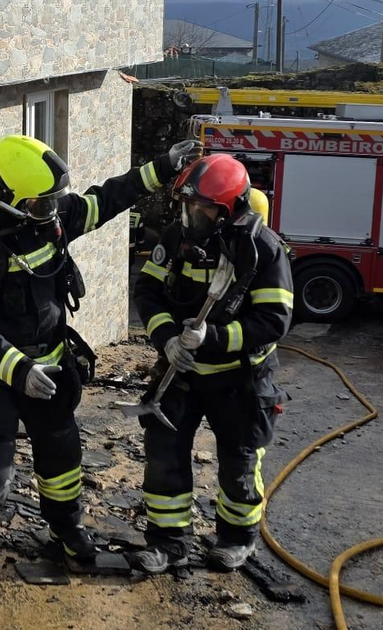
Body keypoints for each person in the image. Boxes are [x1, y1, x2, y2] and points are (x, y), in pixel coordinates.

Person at [0, 134, 197, 598]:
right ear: (10, 199)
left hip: (52, 370)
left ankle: (67, 532)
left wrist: (161, 166)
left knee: (62, 462)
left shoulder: (50, 220)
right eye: (43, 203)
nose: (54, 210)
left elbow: (107, 198)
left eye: (56, 200)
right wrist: (18, 370)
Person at [130, 154, 293, 573]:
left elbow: (274, 321)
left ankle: (237, 539)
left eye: (200, 208)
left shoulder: (263, 251)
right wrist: (166, 340)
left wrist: (214, 338)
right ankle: (168, 542)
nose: (190, 215)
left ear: (227, 210)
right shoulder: (177, 236)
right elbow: (148, 290)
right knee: (164, 455)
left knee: (240, 464)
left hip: (240, 378)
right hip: (181, 373)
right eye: (186, 206)